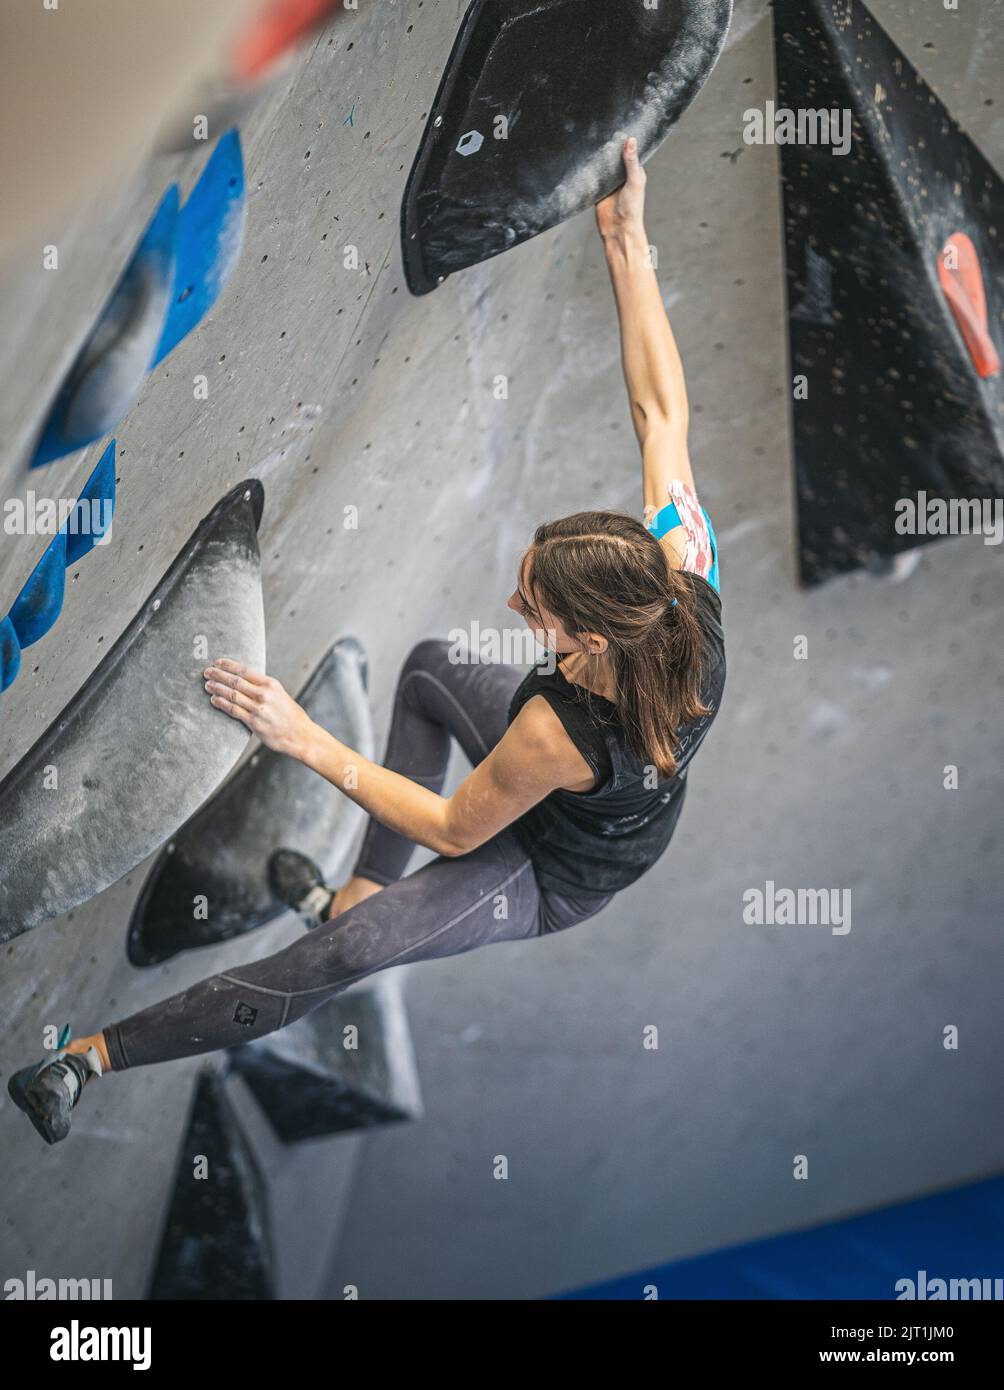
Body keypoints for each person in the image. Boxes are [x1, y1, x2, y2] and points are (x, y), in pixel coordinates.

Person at [10, 138, 726, 1144]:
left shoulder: (559, 732)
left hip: (551, 873)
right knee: (435, 668)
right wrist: (626, 240)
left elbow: (451, 828)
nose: (516, 608)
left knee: (347, 954)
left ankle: (84, 1062)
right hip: (584, 795)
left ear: (593, 640)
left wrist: (299, 735)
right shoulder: (677, 560)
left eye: (534, 609)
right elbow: (660, 407)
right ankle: (350, 888)